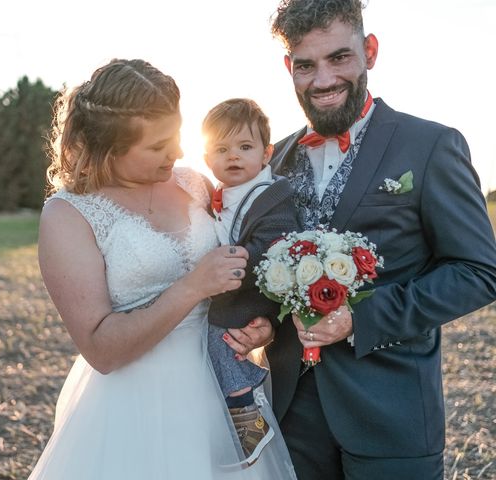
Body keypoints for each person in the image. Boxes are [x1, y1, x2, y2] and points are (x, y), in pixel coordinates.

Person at [222, 1, 496, 479]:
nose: (323, 80)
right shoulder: (273, 162)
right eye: (306, 65)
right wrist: (262, 322)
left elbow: (478, 272)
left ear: (369, 51)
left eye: (339, 58)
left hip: (392, 415)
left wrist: (361, 318)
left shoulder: (430, 146)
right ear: (289, 68)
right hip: (288, 415)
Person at [28, 58, 296, 479]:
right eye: (157, 147)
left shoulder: (193, 184)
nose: (179, 152)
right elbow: (101, 349)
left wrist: (259, 325)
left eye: (175, 134)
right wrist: (192, 288)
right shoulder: (67, 216)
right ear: (107, 149)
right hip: (135, 407)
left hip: (222, 399)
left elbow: (235, 266)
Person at [201, 98, 301, 466]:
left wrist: (231, 266)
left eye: (245, 147)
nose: (233, 157)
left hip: (252, 294)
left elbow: (276, 244)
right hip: (227, 292)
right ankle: (233, 412)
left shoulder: (270, 194)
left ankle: (247, 412)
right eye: (221, 149)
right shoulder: (216, 194)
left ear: (266, 153)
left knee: (220, 338)